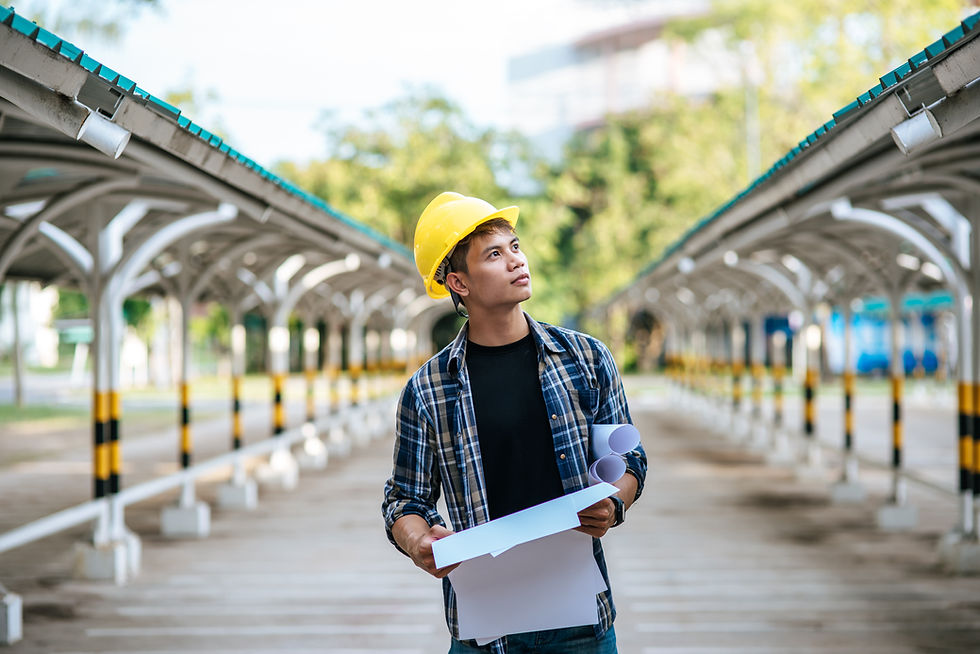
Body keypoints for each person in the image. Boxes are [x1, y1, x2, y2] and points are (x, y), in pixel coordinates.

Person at [382, 191, 647, 653]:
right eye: (494, 254)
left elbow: (629, 461)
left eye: (515, 246)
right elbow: (404, 498)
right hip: (486, 630)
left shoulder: (586, 359)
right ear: (459, 283)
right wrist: (419, 540)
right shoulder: (427, 390)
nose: (515, 261)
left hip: (580, 624)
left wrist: (614, 503)